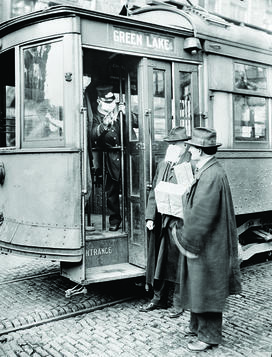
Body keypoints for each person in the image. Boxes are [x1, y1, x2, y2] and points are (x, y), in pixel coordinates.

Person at [173, 127, 242, 352]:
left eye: (191, 147)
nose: (189, 150)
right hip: (208, 242)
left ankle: (209, 336)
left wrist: (186, 239)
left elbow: (202, 213)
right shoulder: (209, 169)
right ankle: (196, 326)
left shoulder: (211, 174)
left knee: (208, 287)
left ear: (200, 151)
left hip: (207, 244)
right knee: (199, 285)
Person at [139, 126, 191, 318]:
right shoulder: (163, 164)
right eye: (170, 144)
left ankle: (179, 303)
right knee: (159, 261)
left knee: (178, 262)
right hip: (162, 220)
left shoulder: (190, 164)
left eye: (174, 144)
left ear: (184, 145)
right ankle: (158, 299)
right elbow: (154, 190)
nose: (171, 147)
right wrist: (150, 216)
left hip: (180, 221)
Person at [90, 84, 125, 231]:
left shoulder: (119, 112)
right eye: (108, 102)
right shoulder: (96, 117)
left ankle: (134, 217)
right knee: (112, 192)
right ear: (99, 101)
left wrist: (126, 113)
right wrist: (104, 125)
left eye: (113, 102)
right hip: (110, 159)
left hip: (127, 157)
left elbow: (136, 122)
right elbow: (92, 135)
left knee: (131, 189)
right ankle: (115, 220)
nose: (111, 105)